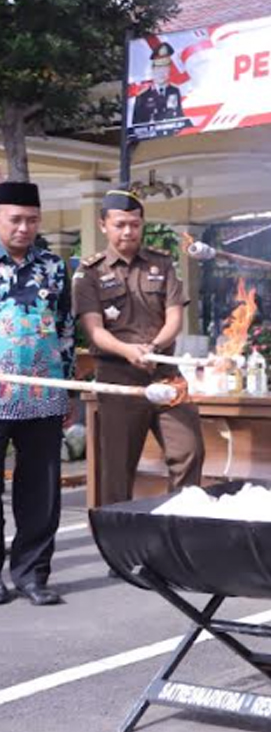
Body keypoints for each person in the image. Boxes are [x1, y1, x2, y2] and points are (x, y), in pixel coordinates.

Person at [74, 189, 205, 509]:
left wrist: (155, 347)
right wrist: (128, 350)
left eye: (134, 224)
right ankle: (118, 542)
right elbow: (94, 329)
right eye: (120, 224)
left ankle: (179, 521)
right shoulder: (89, 273)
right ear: (103, 225)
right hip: (118, 378)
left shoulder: (162, 264)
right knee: (117, 467)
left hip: (164, 372)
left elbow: (175, 317)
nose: (128, 231)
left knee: (189, 450)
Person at [0, 182, 72, 606]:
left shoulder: (53, 266)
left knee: (41, 491)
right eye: (15, 219)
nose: (24, 228)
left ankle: (32, 574)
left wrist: (67, 392)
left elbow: (65, 328)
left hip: (44, 393)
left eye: (31, 220)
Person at [131, 44, 185, 125]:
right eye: (159, 68)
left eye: (165, 68)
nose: (162, 73)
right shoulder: (143, 95)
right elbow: (136, 125)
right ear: (152, 70)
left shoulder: (175, 91)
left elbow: (180, 118)